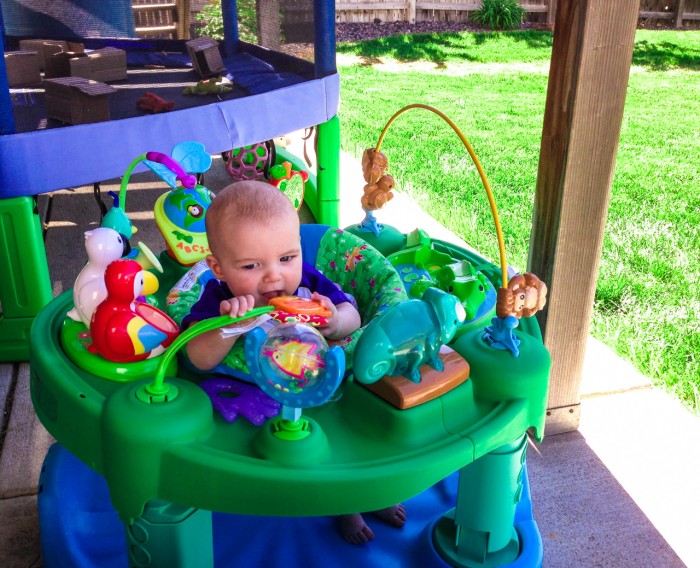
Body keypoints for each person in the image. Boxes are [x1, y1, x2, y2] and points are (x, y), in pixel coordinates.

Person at [182, 180, 406, 544]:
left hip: (325, 387)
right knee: (314, 452)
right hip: (262, 400)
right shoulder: (219, 299)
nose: (274, 276)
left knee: (358, 432)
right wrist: (230, 327)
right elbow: (197, 357)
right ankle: (345, 503)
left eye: (287, 258)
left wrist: (334, 319)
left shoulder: (306, 286)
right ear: (219, 268)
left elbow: (353, 314)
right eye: (252, 265)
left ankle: (369, 492)